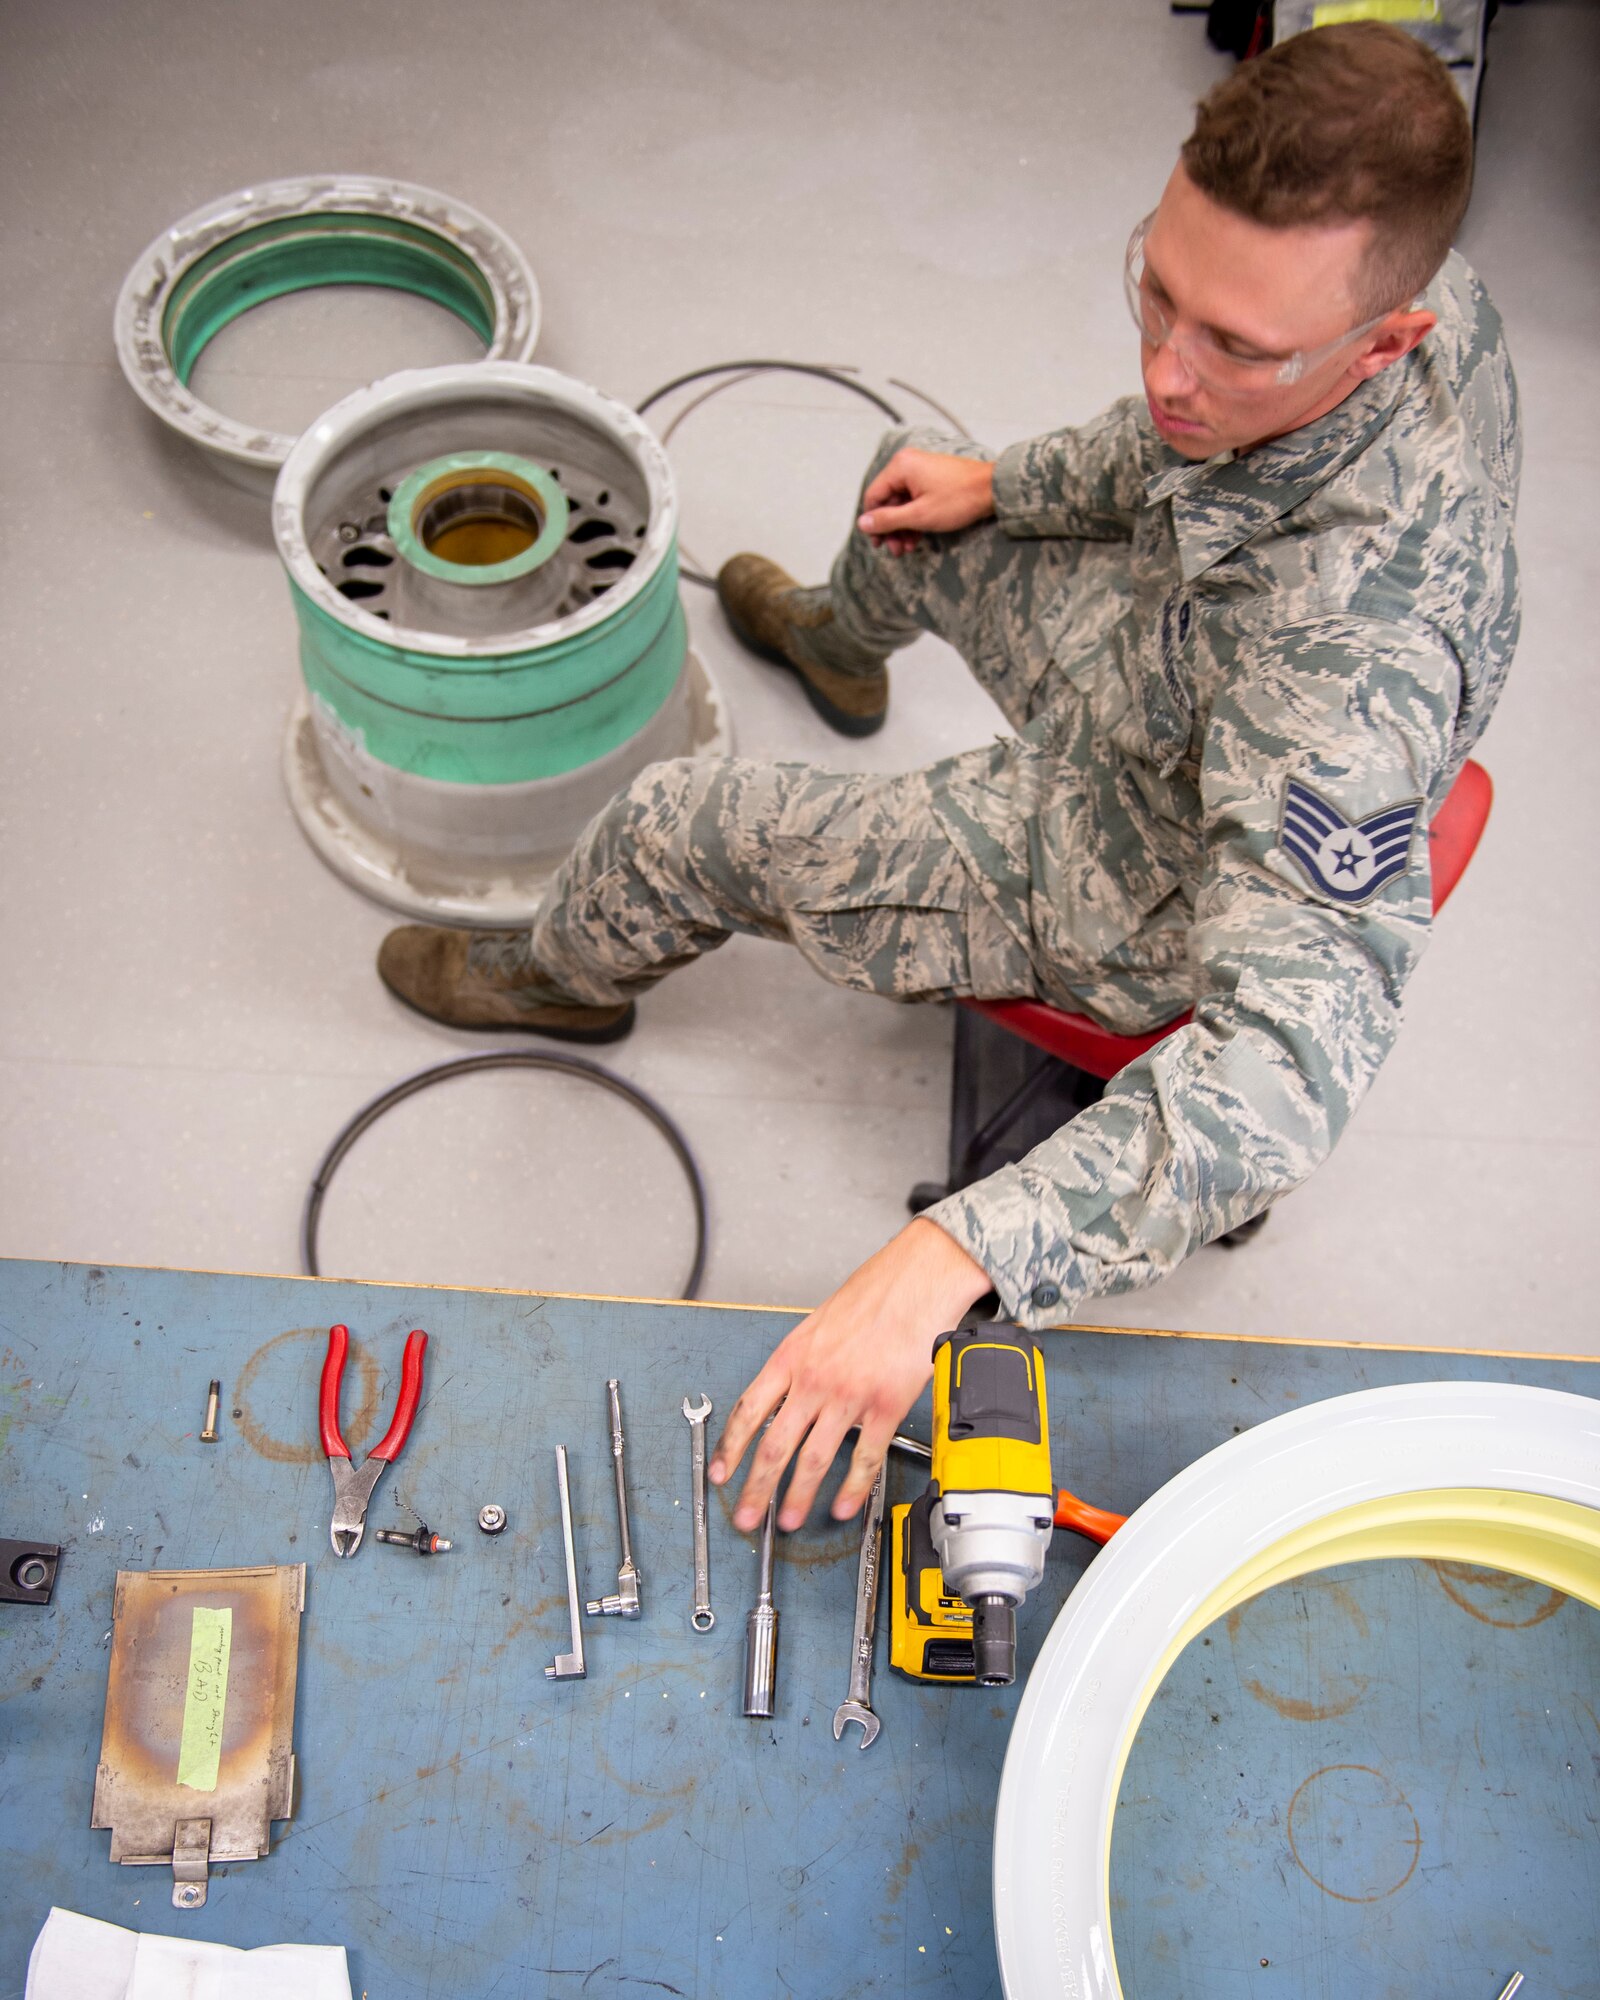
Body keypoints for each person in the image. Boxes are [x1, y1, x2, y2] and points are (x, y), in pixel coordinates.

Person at [376, 24, 1518, 1539]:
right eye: (1156, 293)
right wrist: (1011, 487)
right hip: (1184, 662)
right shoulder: (1413, 298)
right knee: (917, 486)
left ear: (1386, 342)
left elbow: (1283, 1075)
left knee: (676, 823)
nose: (1169, 368)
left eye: (1235, 345)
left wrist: (949, 1263)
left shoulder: (1347, 670)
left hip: (1157, 867)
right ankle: (843, 647)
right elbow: (1188, 443)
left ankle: (562, 976)